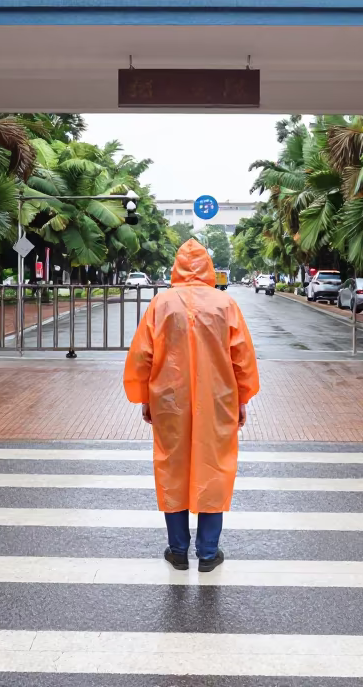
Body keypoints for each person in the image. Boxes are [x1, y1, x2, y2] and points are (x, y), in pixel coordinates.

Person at [123, 239, 259, 573]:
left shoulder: (161, 303)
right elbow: (241, 357)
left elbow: (142, 354)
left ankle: (178, 549)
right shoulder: (225, 304)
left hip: (169, 399)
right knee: (215, 466)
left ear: (177, 267)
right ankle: (209, 552)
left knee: (173, 467)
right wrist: (241, 399)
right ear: (209, 268)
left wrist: (144, 397)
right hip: (218, 399)